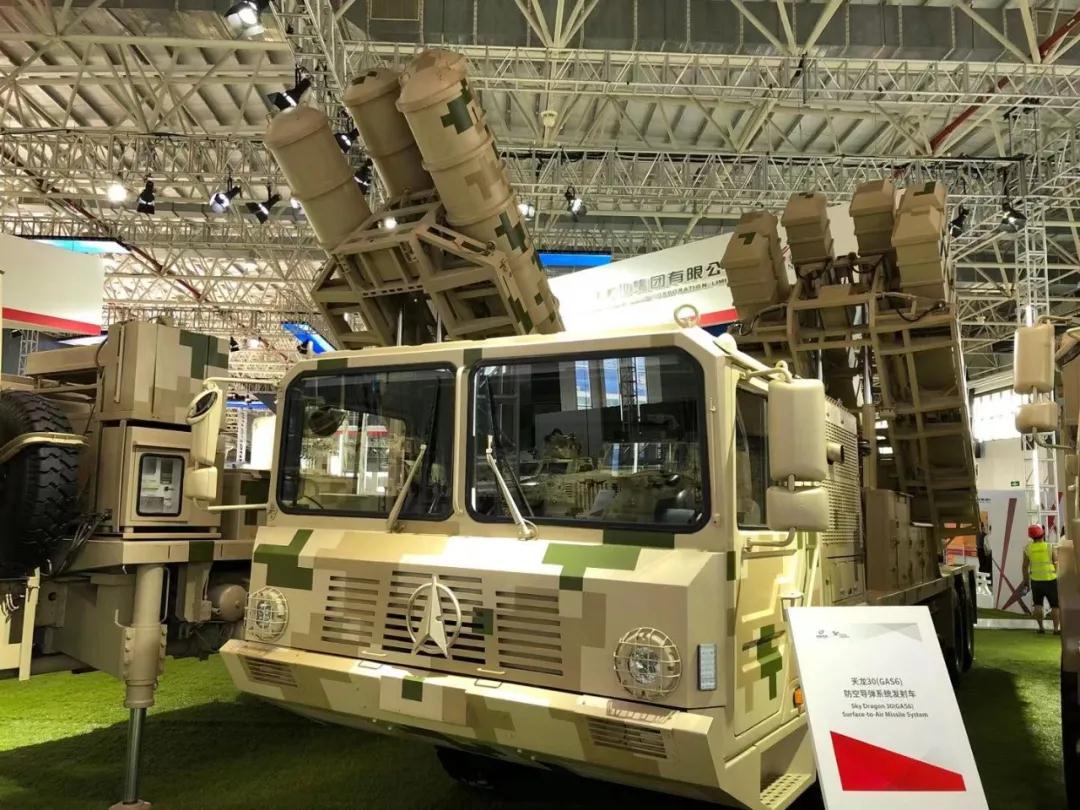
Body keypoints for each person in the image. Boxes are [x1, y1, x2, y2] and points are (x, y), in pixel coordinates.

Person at [1022, 524, 1059, 635]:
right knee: (1055, 605)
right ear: (1042, 534)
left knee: (1038, 605)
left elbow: (1024, 567)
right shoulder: (1050, 547)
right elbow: (1056, 563)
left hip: (1036, 581)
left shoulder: (1028, 549)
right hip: (1051, 580)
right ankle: (1056, 629)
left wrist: (1026, 582)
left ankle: (1041, 628)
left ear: (1031, 537)